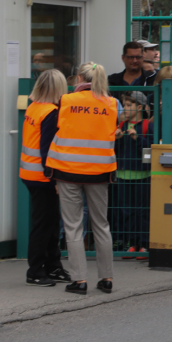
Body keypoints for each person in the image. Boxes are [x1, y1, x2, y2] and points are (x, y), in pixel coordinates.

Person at [46, 62, 118, 295]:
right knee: (101, 225)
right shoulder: (112, 104)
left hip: (67, 171)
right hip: (100, 172)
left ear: (78, 78)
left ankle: (79, 281)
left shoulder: (65, 101)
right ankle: (106, 278)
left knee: (73, 226)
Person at [20, 69, 69, 286]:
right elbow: (48, 149)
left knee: (48, 221)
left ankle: (51, 266)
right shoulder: (51, 112)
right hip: (43, 176)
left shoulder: (34, 107)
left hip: (30, 174)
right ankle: (36, 270)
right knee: (45, 224)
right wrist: (54, 179)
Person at [113, 91, 153, 257]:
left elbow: (150, 152)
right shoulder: (121, 126)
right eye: (124, 106)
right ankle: (131, 243)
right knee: (127, 211)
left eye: (129, 105)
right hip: (123, 174)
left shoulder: (146, 126)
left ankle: (143, 244)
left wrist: (138, 139)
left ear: (139, 107)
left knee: (142, 211)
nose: (125, 109)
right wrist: (116, 139)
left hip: (142, 175)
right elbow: (114, 151)